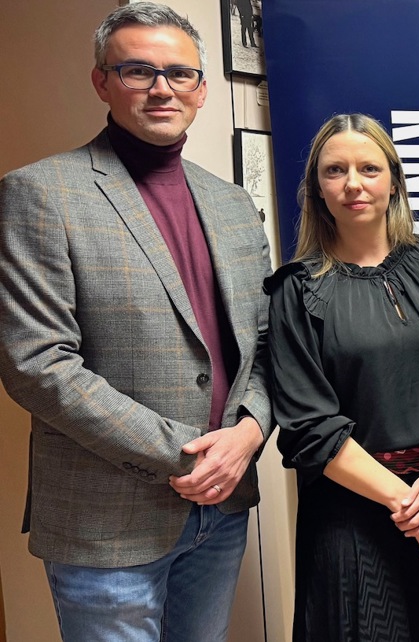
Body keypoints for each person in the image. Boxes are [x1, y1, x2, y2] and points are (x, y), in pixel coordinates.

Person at [0, 4, 272, 641]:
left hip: (223, 507)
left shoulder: (233, 204)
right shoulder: (41, 193)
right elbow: (37, 365)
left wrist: (250, 433)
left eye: (179, 73)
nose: (161, 88)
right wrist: (186, 454)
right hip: (106, 521)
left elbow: (266, 346)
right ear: (102, 82)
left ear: (201, 90)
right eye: (138, 71)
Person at [264, 114, 419, 641]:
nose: (353, 184)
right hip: (351, 517)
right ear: (317, 188)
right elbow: (308, 425)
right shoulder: (296, 290)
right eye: (335, 170)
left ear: (394, 180)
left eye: (369, 168)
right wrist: (406, 503)